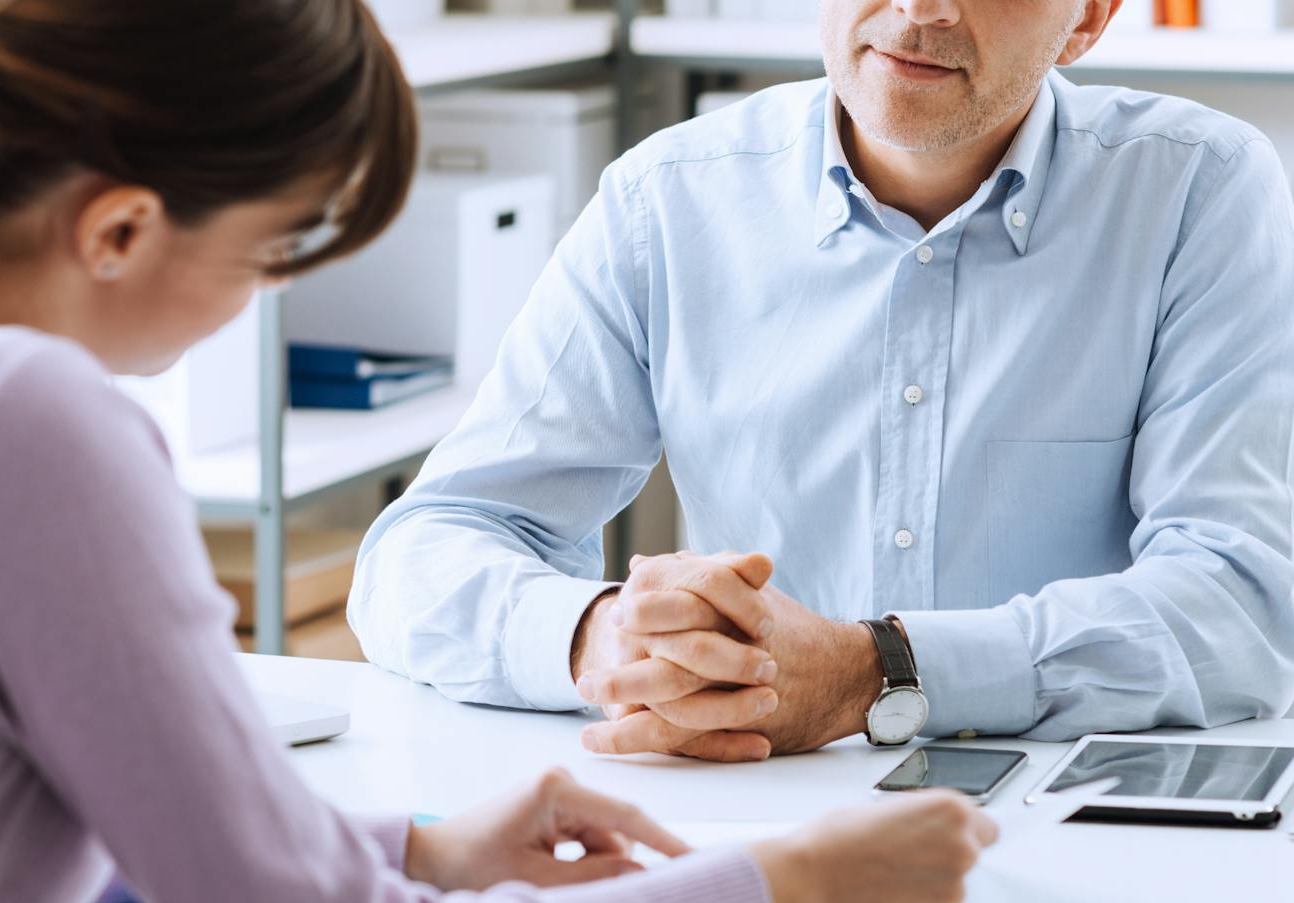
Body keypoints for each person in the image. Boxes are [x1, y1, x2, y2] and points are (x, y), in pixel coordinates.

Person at [0, 2, 999, 903]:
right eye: (274, 250)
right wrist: (788, 892)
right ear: (117, 230)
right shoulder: (27, 430)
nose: (268, 294)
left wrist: (408, 853)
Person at [350, 0, 1294, 761]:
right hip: (752, 797)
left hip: (1077, 805)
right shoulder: (668, 199)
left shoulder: (1197, 191)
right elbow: (427, 548)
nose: (923, 11)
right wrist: (604, 639)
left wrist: (873, 673)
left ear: (1087, 19)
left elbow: (1240, 605)